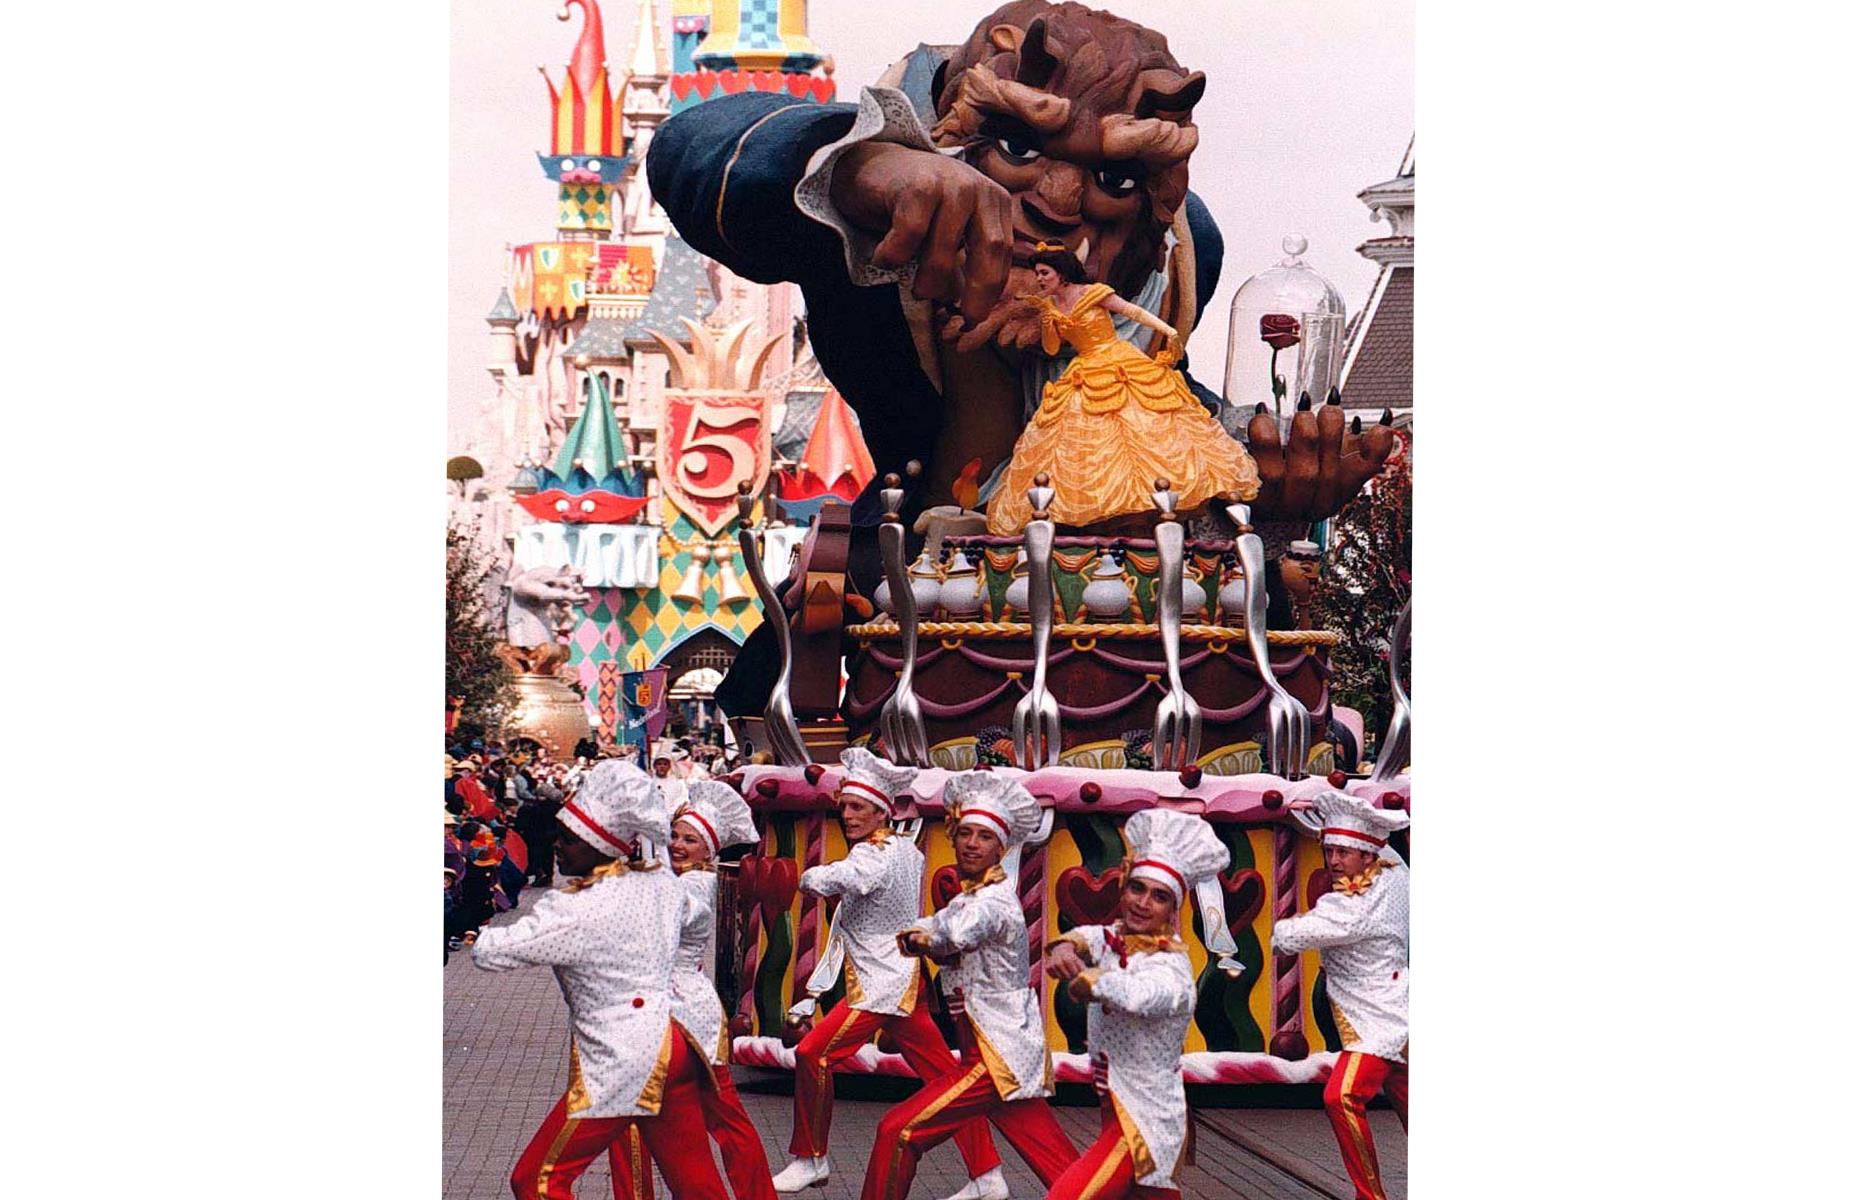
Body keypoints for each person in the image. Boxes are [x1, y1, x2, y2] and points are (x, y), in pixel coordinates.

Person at [472, 760, 730, 1200]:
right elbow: (695, 917)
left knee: (537, 1180)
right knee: (697, 1184)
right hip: (676, 1044)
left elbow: (489, 954)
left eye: (571, 838)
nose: (558, 847)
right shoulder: (661, 885)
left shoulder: (574, 909)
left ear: (600, 843)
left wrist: (478, 931)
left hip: (623, 1058)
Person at [770, 748, 1001, 1194]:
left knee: (811, 1054)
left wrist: (804, 878)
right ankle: (987, 1173)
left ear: (881, 812)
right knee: (945, 1081)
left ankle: (810, 1156)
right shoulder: (905, 850)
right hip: (901, 980)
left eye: (858, 808)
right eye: (844, 807)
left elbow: (849, 878)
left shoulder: (874, 855)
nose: (848, 816)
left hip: (878, 987)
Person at [869, 772, 1077, 1200]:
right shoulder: (969, 897)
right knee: (1062, 1168)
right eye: (965, 833)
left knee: (898, 1131)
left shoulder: (993, 902)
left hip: (994, 1057)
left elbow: (953, 934)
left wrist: (919, 938)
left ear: (1001, 848)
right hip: (994, 1051)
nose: (971, 843)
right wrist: (922, 932)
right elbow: (939, 922)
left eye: (984, 837)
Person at [986, 243, 1259, 534]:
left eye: (1044, 272)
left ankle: (1147, 506)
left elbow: (1133, 312)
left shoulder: (1093, 293)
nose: (1039, 279)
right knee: (1082, 441)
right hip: (1083, 368)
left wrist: (1167, 331)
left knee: (1138, 429)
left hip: (1118, 362)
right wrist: (1049, 320)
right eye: (1038, 273)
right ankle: (1101, 510)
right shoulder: (1052, 307)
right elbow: (1052, 349)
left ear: (1061, 273)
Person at [1043, 809, 1232, 1200]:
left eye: (1159, 896)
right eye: (1137, 889)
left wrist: (1093, 982)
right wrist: (1066, 945)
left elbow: (1143, 994)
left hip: (1142, 1122)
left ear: (1172, 909)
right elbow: (1091, 936)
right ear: (1123, 887)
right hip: (1118, 1107)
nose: (1143, 903)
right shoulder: (1116, 937)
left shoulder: (1171, 967)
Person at [608, 779, 776, 1200]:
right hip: (685, 1011)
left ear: (710, 850)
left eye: (690, 840)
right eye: (675, 836)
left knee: (633, 1110)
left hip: (680, 1014)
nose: (678, 845)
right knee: (722, 1119)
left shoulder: (696, 884)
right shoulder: (679, 877)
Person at [1271, 790, 1409, 1200]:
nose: (1332, 861)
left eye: (1344, 852)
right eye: (1328, 849)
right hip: (1401, 1011)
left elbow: (1287, 937)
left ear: (1368, 856)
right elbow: (1396, 857)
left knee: (1341, 1096)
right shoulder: (1397, 877)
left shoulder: (1351, 908)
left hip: (1377, 1026)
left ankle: (1370, 1196)